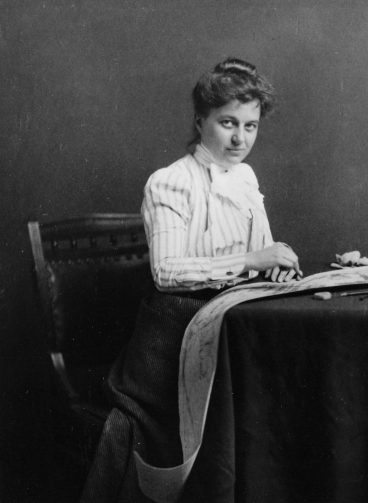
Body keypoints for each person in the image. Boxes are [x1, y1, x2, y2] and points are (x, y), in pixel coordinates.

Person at [81, 57, 299, 502]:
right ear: (201, 121)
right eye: (227, 123)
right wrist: (250, 260)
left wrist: (275, 263)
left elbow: (259, 254)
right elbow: (166, 272)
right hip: (172, 339)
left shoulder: (245, 178)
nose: (240, 138)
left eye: (251, 126)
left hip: (229, 330)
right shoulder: (171, 183)